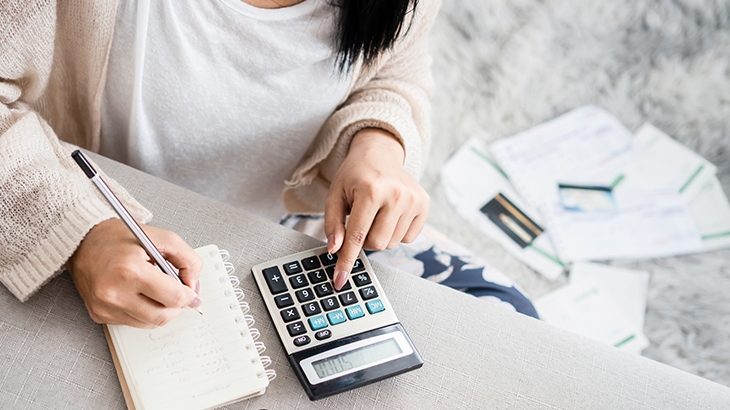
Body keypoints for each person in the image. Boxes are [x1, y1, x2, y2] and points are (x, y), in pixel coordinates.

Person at [1, 0, 536, 329]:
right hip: (78, 210)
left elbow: (396, 67)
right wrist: (78, 234)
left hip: (279, 225)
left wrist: (378, 142)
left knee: (508, 319)